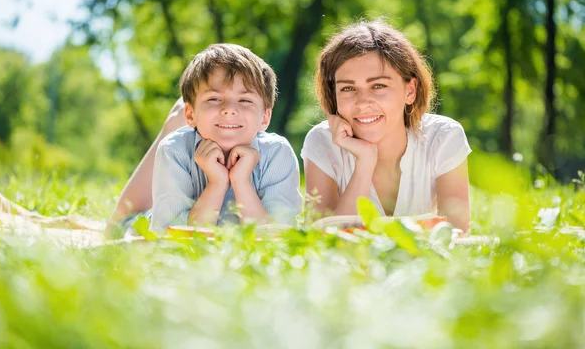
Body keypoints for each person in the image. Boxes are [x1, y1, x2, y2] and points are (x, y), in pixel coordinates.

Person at [109, 43, 303, 236]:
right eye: (214, 99)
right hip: (146, 224)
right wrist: (216, 184)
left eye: (245, 100)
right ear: (190, 114)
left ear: (265, 118)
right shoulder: (174, 149)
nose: (229, 108)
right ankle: (176, 121)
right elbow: (172, 240)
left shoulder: (277, 153)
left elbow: (276, 237)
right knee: (117, 227)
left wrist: (241, 181)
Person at [301, 20, 471, 232]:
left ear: (410, 91)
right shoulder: (322, 142)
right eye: (347, 88)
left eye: (378, 85)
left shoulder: (443, 137)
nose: (363, 103)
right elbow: (320, 241)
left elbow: (456, 236)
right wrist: (364, 161)